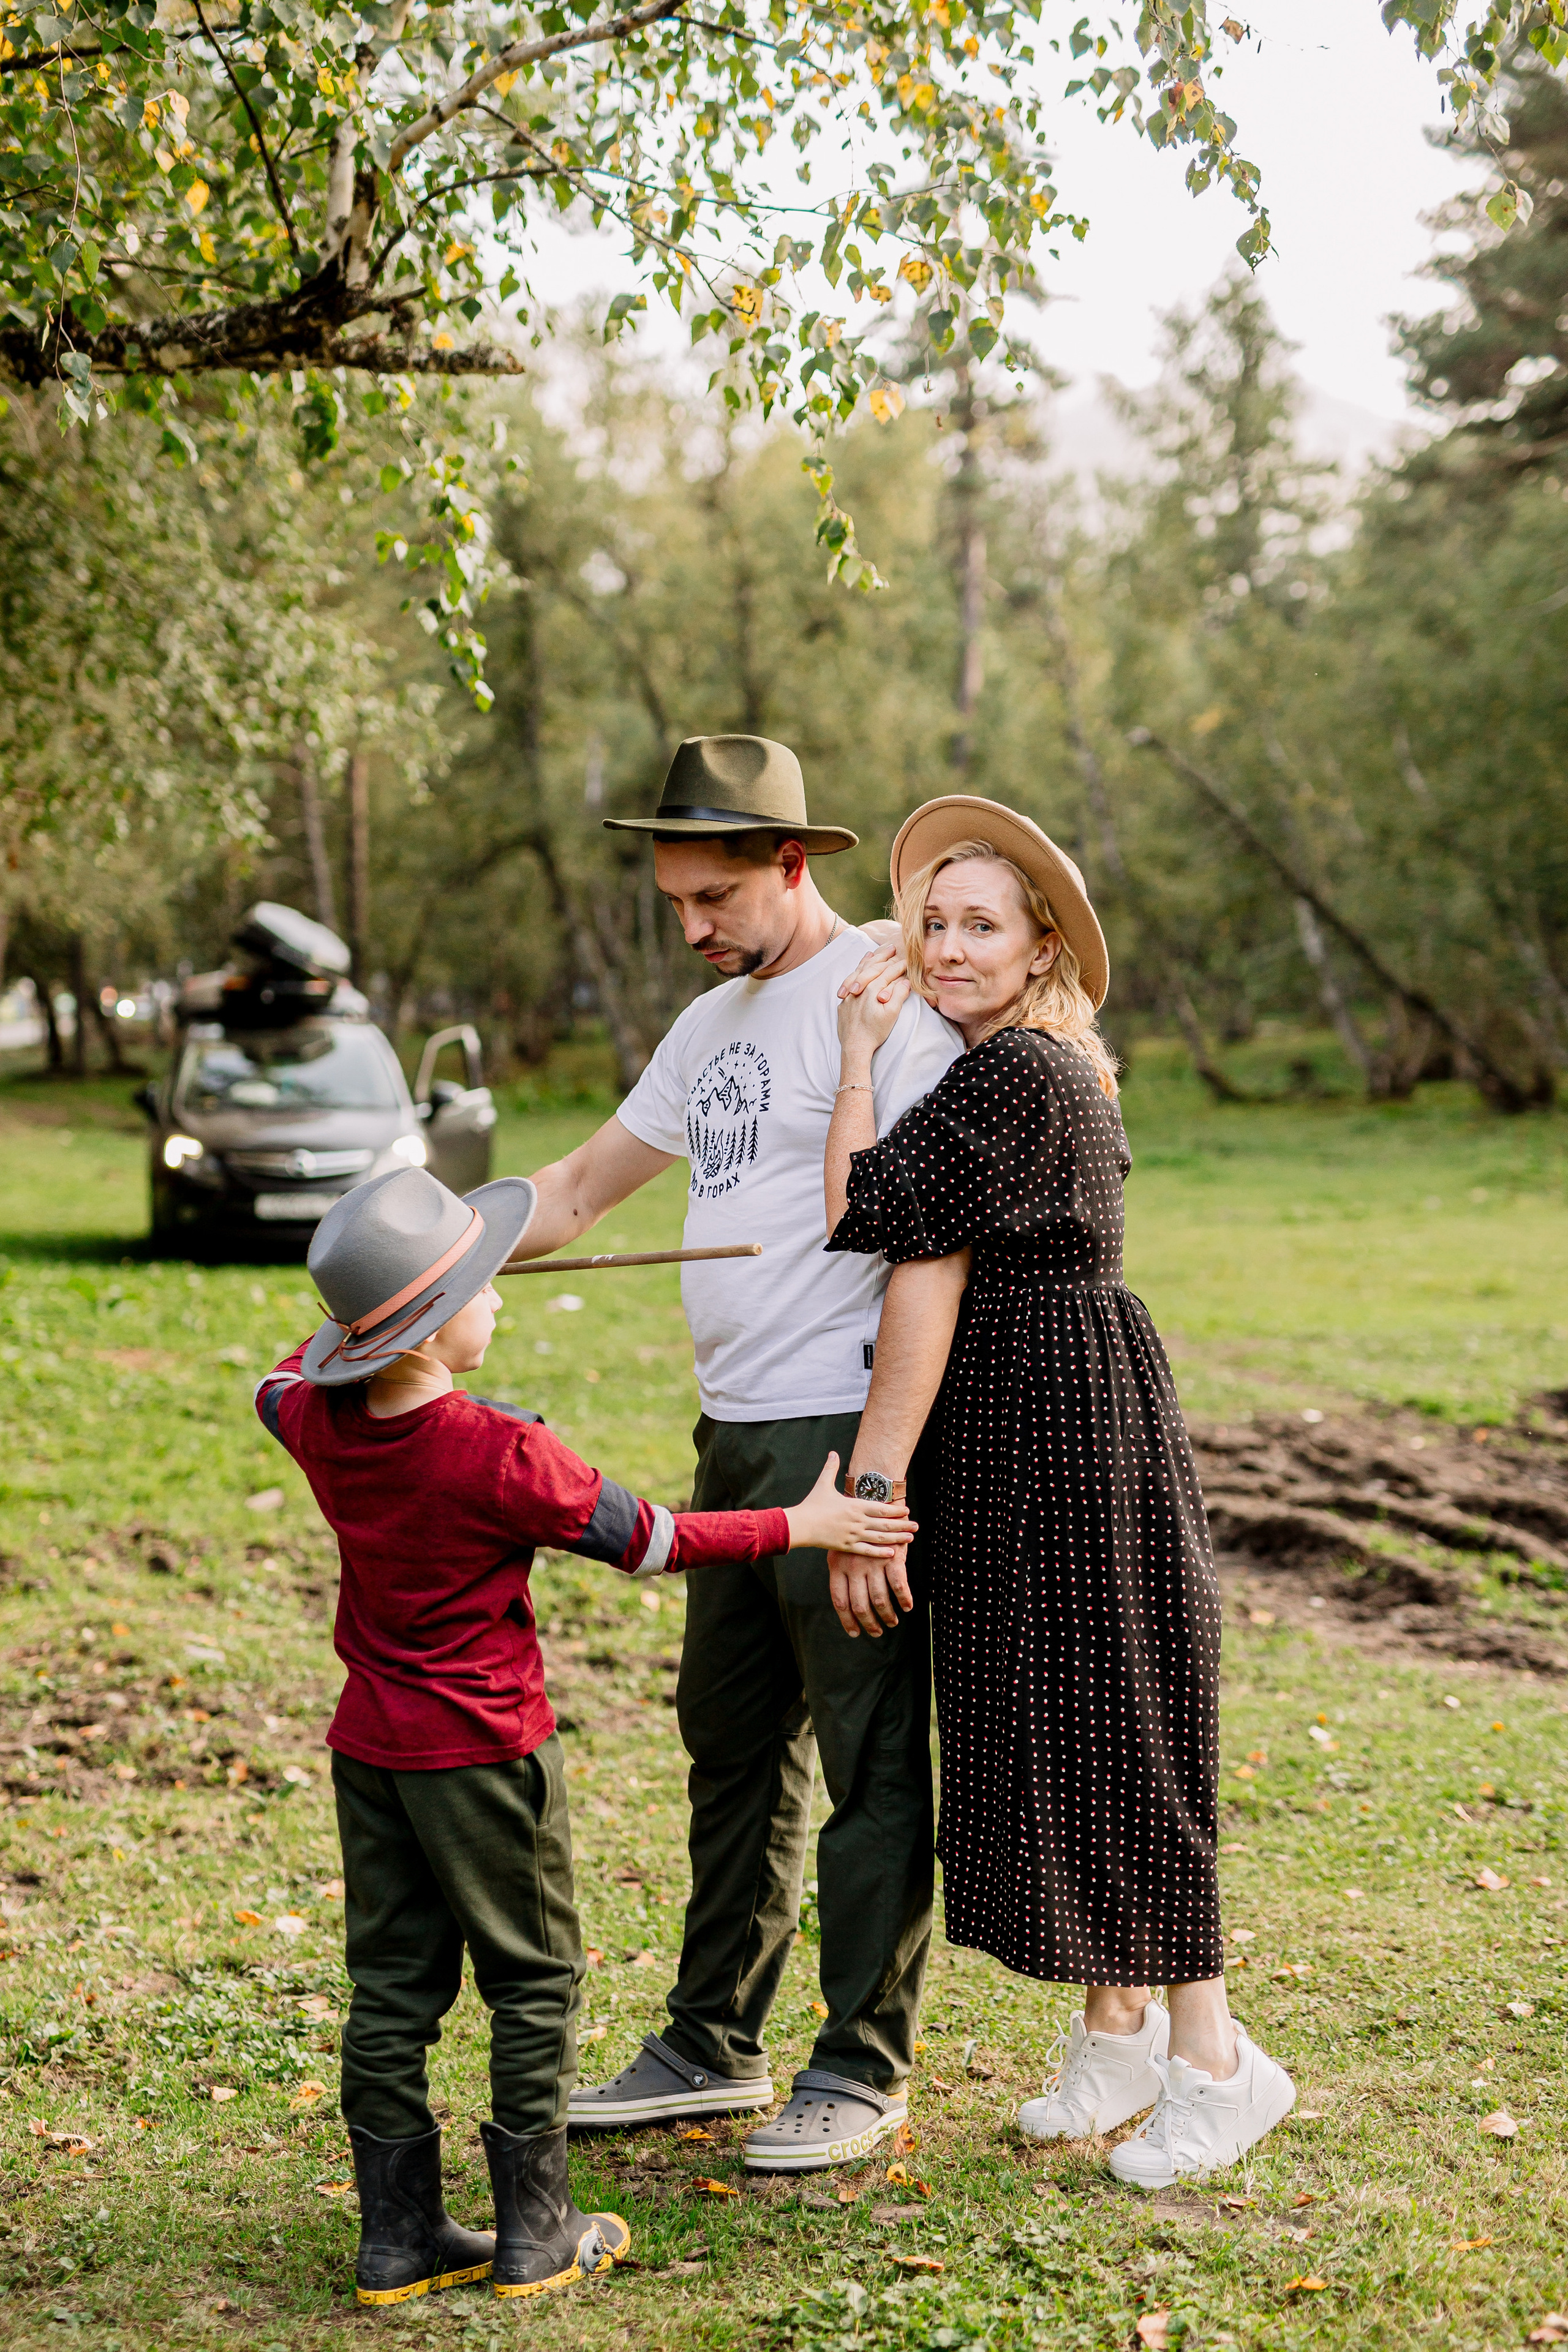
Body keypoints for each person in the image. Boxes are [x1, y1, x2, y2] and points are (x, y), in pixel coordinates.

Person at [252, 1163, 916, 2302]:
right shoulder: (504, 1458)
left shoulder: (311, 1418)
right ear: (425, 1328)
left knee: (393, 1988)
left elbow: (278, 1377)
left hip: (369, 1749)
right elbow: (654, 1538)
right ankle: (535, 2231)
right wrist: (802, 1520)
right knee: (538, 1981)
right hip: (484, 1757)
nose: (502, 1287)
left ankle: (396, 2241)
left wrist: (366, 1341)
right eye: (482, 1280)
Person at [821, 794, 1296, 2190]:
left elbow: (866, 1214)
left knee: (1112, 1718)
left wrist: (874, 1474)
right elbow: (886, 1213)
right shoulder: (1038, 1069)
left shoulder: (1012, 1076)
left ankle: (1215, 2059)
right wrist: (866, 1049)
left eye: (982, 925)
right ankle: (1118, 2029)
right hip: (1041, 1406)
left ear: (1040, 948)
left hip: (1061, 1419)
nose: (951, 946)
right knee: (1055, 1708)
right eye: (934, 923)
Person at [515, 733, 964, 2173]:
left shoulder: (889, 1009)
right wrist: (428, 1249)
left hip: (843, 1439)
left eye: (713, 896)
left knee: (869, 1753)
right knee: (728, 1741)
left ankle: (860, 2062)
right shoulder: (705, 1028)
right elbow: (582, 1187)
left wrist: (881, 1477)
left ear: (790, 864)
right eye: (671, 902)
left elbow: (926, 1253)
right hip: (732, 1441)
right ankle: (711, 2040)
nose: (691, 926)